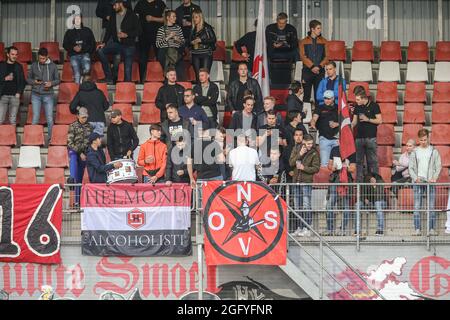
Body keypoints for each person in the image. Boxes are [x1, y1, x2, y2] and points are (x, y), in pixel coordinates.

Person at [97, 0, 141, 84]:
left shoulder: (132, 15)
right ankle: (109, 77)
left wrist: (127, 34)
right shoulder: (113, 15)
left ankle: (126, 87)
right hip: (117, 44)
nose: (113, 7)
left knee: (127, 74)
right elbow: (108, 31)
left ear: (121, 3)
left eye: (115, 5)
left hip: (129, 45)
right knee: (100, 50)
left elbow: (139, 31)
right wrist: (104, 43)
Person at [409, 129, 442, 236]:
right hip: (418, 182)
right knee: (417, 206)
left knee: (431, 206)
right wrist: (415, 178)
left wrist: (434, 178)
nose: (423, 142)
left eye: (425, 139)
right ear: (418, 140)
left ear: (428, 138)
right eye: (421, 140)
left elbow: (438, 166)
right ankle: (417, 229)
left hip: (430, 182)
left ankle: (431, 229)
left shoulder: (434, 151)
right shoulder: (415, 152)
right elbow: (411, 168)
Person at [289, 134, 320, 237]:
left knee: (306, 205)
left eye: (311, 143)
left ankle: (307, 227)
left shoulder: (314, 152)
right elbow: (291, 163)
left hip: (306, 181)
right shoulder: (296, 148)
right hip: (296, 181)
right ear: (303, 142)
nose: (310, 145)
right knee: (297, 206)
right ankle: (299, 227)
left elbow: (316, 168)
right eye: (308, 143)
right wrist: (300, 154)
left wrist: (304, 168)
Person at [27, 47, 60, 140]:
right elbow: (28, 79)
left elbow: (58, 80)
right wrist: (34, 82)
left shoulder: (53, 66)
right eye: (40, 58)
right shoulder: (33, 65)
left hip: (48, 95)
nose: (41, 60)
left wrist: (51, 83)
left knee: (49, 119)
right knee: (35, 118)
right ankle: (33, 140)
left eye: (43, 58)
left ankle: (51, 139)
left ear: (47, 57)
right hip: (35, 94)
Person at [351, 88, 382, 182]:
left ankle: (374, 184)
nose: (356, 101)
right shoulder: (357, 107)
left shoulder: (374, 106)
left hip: (371, 138)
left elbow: (379, 120)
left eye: (358, 99)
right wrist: (348, 128)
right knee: (358, 163)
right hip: (359, 139)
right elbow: (354, 122)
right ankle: (359, 185)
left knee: (372, 162)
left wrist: (368, 119)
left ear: (364, 98)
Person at [326, 144, 356, 236]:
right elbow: (329, 165)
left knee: (346, 207)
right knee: (330, 205)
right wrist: (333, 167)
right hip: (335, 180)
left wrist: (346, 167)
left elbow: (353, 168)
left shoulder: (351, 151)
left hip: (346, 181)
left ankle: (343, 229)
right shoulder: (334, 149)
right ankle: (330, 230)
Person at [135, 0, 166, 83]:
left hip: (158, 34)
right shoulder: (140, 3)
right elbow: (134, 17)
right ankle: (142, 79)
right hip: (143, 35)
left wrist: (153, 18)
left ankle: (165, 78)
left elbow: (165, 19)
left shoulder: (160, 3)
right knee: (142, 58)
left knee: (161, 57)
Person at [67, 107, 93, 204]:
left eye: (85, 117)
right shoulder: (72, 126)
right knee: (73, 176)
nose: (84, 119)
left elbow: (90, 142)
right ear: (78, 116)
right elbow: (69, 142)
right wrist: (80, 153)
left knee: (79, 178)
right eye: (82, 117)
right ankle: (71, 180)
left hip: (84, 154)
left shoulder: (89, 126)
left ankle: (77, 202)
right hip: (75, 152)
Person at [299, 20, 328, 103]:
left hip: (320, 71)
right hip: (307, 71)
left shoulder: (324, 41)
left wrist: (319, 66)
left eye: (320, 28)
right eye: (318, 28)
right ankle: (306, 115)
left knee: (318, 95)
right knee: (306, 95)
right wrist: (312, 66)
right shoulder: (303, 41)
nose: (320, 30)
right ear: (312, 29)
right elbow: (303, 56)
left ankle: (317, 115)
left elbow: (327, 57)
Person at [62, 14, 96, 84]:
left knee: (87, 69)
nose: (77, 20)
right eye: (75, 19)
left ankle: (84, 87)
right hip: (74, 55)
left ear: (81, 19)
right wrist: (73, 48)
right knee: (77, 74)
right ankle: (77, 90)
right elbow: (65, 44)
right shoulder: (69, 32)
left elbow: (93, 44)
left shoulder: (87, 30)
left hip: (85, 54)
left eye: (79, 18)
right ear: (73, 20)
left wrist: (82, 48)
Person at [310, 90, 339, 167]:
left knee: (336, 165)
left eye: (329, 98)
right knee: (324, 164)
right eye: (325, 98)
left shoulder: (338, 108)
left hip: (336, 139)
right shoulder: (320, 107)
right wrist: (313, 123)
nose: (327, 100)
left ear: (333, 98)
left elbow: (345, 121)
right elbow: (314, 117)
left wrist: (337, 124)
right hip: (324, 138)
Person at [189, 9, 216, 84]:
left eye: (196, 17)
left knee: (204, 76)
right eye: (193, 17)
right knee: (198, 77)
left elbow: (213, 39)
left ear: (201, 17)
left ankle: (207, 94)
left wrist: (201, 40)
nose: (194, 19)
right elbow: (189, 41)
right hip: (195, 54)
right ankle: (199, 94)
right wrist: (191, 42)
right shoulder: (192, 28)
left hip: (206, 53)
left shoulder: (207, 27)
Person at [0, 46, 25, 125]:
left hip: (15, 96)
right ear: (8, 54)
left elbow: (22, 82)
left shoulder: (19, 66)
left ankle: (12, 137)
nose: (14, 56)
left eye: (16, 54)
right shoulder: (1, 66)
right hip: (2, 96)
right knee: (0, 119)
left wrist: (19, 92)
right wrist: (5, 79)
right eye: (12, 54)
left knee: (13, 120)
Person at [156, 10, 185, 75]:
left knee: (177, 74)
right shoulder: (161, 29)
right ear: (168, 18)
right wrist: (168, 37)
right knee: (168, 72)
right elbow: (158, 44)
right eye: (173, 16)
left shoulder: (178, 28)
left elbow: (183, 42)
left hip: (176, 53)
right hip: (164, 53)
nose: (175, 18)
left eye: (175, 16)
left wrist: (177, 39)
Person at [360, 172, 387, 236]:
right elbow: (362, 194)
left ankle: (380, 230)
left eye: (372, 179)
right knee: (357, 205)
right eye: (370, 180)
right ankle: (357, 230)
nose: (371, 181)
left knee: (377, 204)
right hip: (371, 202)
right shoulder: (366, 182)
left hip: (381, 202)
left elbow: (378, 197)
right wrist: (364, 199)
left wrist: (374, 186)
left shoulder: (380, 182)